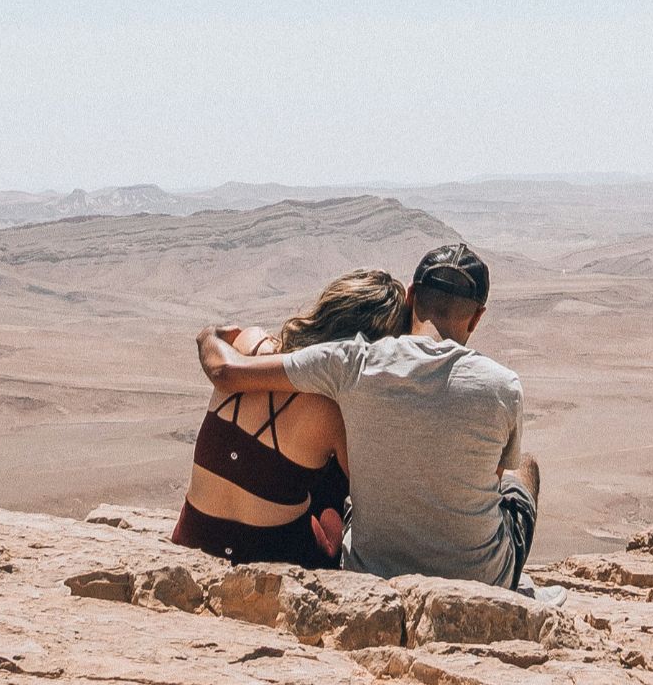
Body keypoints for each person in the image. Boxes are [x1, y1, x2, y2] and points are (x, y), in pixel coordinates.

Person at [195, 244, 551, 597]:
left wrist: (209, 334)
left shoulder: (352, 362)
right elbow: (490, 483)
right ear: (477, 317)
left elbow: (225, 371)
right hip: (482, 578)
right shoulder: (503, 385)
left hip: (374, 570)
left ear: (411, 296)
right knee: (524, 469)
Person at [171, 269, 407, 569]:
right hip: (272, 561)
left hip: (192, 537)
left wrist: (208, 334)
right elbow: (370, 497)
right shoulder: (334, 411)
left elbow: (222, 367)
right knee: (337, 477)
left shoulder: (250, 344)